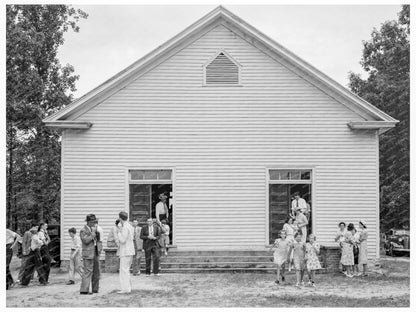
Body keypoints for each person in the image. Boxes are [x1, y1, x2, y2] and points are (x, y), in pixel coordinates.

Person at [80, 214, 100, 295]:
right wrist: (92, 235)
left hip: (95, 252)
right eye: (92, 222)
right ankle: (84, 290)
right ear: (88, 222)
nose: (94, 223)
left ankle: (95, 289)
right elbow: (85, 241)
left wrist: (96, 234)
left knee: (96, 271)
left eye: (95, 221)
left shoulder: (93, 229)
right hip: (88, 253)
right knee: (88, 271)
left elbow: (96, 240)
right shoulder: (83, 230)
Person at [116, 211, 135, 294]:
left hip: (125, 251)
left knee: (124, 270)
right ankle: (127, 287)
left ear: (120, 218)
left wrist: (119, 232)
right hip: (129, 251)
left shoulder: (124, 227)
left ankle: (125, 288)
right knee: (126, 270)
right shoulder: (130, 226)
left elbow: (123, 240)